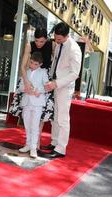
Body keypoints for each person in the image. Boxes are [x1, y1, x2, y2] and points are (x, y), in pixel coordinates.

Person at [38, 22, 82, 158]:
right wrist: (49, 80)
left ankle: (61, 149)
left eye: (59, 39)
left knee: (62, 118)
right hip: (54, 84)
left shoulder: (74, 49)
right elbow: (55, 63)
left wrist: (57, 83)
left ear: (67, 36)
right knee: (54, 117)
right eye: (55, 38)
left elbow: (75, 73)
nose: (56, 41)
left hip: (64, 87)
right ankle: (54, 142)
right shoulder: (58, 45)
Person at [9, 28, 55, 131]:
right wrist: (26, 81)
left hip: (44, 79)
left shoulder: (51, 45)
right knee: (26, 109)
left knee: (42, 112)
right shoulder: (29, 45)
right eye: (37, 40)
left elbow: (55, 62)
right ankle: (29, 141)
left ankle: (36, 143)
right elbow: (22, 66)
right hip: (30, 76)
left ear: (46, 39)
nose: (39, 43)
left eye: (42, 41)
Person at [19, 52, 49, 158]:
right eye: (31, 62)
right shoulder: (26, 72)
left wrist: (39, 91)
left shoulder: (43, 72)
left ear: (40, 64)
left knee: (35, 125)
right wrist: (24, 88)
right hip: (26, 101)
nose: (32, 65)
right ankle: (27, 144)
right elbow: (21, 86)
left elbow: (46, 86)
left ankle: (33, 148)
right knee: (27, 125)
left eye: (35, 64)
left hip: (37, 102)